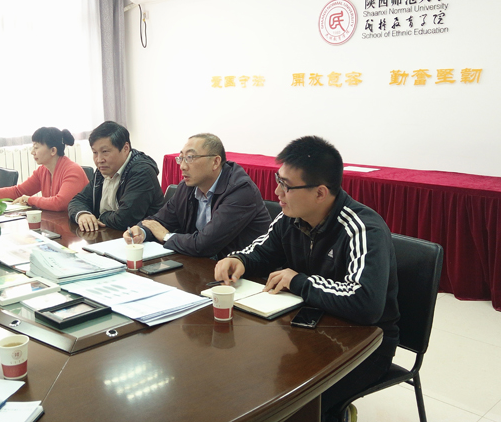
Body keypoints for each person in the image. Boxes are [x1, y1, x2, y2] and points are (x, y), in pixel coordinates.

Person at [214, 136, 400, 422]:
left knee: (294, 407)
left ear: (320, 193)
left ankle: (336, 412)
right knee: (245, 381)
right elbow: (262, 251)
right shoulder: (290, 217)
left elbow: (366, 303)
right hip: (306, 329)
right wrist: (239, 259)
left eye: (286, 186)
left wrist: (300, 281)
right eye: (278, 180)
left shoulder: (363, 228)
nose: (277, 192)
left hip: (364, 345)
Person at [124, 133, 271, 260]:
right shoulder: (187, 187)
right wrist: (141, 231)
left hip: (244, 273)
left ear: (215, 162)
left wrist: (166, 236)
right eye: (181, 158)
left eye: (190, 157)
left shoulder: (240, 191)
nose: (182, 166)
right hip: (202, 265)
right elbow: (160, 221)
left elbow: (204, 244)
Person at [68, 121, 164, 231]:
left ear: (125, 148)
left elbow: (124, 220)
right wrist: (83, 214)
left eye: (105, 151)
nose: (99, 160)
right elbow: (78, 200)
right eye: (95, 152)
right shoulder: (103, 170)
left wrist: (100, 217)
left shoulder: (142, 172)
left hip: (140, 238)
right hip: (111, 235)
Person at [0, 127, 89, 212]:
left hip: (76, 226)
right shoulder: (42, 171)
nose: (32, 152)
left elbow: (60, 203)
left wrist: (30, 200)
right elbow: (18, 192)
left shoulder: (72, 171)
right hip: (55, 222)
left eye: (36, 148)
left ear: (53, 150)